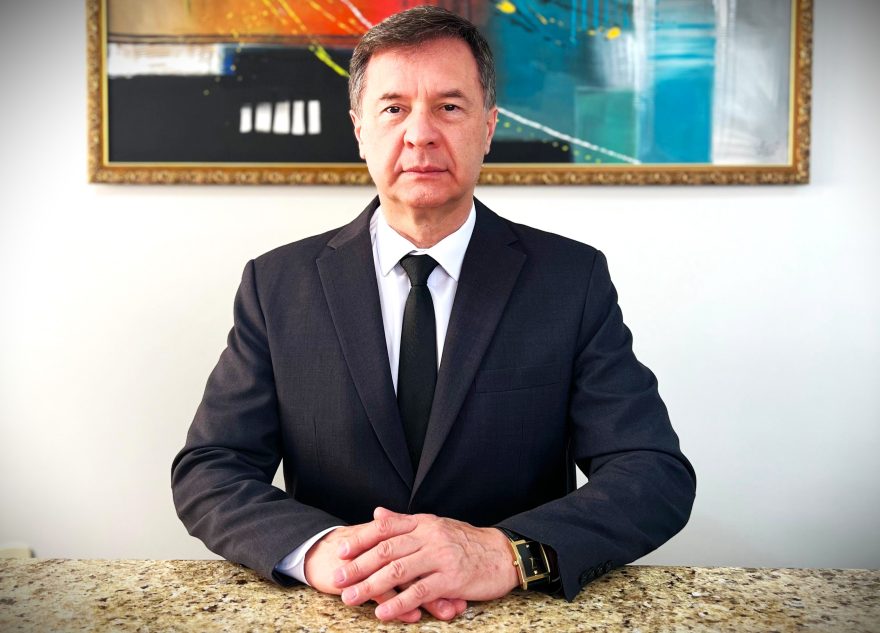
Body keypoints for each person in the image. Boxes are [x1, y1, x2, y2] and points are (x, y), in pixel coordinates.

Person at [172, 6, 696, 624]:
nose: (419, 134)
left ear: (489, 127)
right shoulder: (277, 283)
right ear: (360, 130)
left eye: (449, 106)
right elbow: (212, 468)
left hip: (513, 615)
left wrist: (507, 554)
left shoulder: (570, 280)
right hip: (339, 609)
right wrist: (320, 552)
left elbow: (652, 472)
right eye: (394, 108)